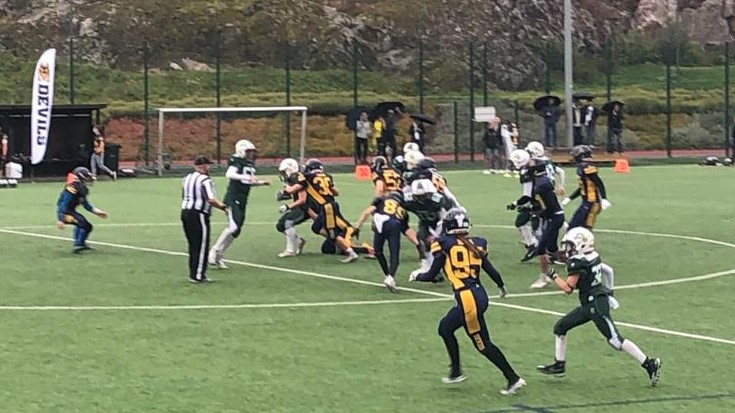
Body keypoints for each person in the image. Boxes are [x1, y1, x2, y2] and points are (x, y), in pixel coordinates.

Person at [409, 209, 526, 396]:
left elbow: (432, 274)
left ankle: (513, 378)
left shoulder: (443, 243)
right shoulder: (477, 243)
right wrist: (501, 285)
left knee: (482, 344)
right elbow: (489, 268)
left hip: (467, 299)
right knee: (445, 328)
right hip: (478, 295)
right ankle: (456, 372)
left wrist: (417, 276)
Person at [538, 227, 662, 387]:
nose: (567, 249)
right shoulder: (592, 256)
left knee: (615, 340)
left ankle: (650, 364)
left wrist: (553, 275)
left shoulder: (578, 262)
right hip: (591, 303)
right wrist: (610, 292)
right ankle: (559, 364)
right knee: (560, 327)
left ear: (581, 245)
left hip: (595, 305)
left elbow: (568, 288)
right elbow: (608, 271)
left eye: (570, 245)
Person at [209, 140, 271, 268]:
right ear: (241, 151)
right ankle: (214, 250)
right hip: (233, 198)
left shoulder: (248, 164)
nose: (251, 154)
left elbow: (247, 182)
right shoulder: (236, 160)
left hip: (242, 199)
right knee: (233, 227)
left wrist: (261, 182)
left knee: (236, 230)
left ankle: (219, 255)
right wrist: (248, 178)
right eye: (249, 152)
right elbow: (230, 174)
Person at [354, 191, 423, 292]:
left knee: (378, 251)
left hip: (380, 223)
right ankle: (390, 277)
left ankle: (388, 275)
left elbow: (367, 212)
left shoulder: (381, 200)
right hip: (394, 224)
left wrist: (357, 227)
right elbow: (407, 230)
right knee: (394, 254)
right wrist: (418, 244)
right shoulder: (402, 210)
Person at [182, 156, 227, 283]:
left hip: (185, 212)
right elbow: (210, 199)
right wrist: (224, 207)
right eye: (208, 165)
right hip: (199, 214)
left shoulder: (187, 178)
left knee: (193, 245)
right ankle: (198, 275)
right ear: (203, 166)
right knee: (201, 245)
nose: (209, 168)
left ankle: (193, 273)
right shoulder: (205, 180)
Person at [55, 166, 108, 254]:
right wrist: (60, 219)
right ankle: (79, 245)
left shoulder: (82, 189)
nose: (88, 179)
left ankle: (79, 244)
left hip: (71, 211)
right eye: (87, 177)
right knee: (84, 225)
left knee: (83, 224)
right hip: (64, 213)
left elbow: (86, 204)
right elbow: (63, 204)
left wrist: (97, 212)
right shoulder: (72, 188)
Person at [562, 145, 611, 230]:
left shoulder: (587, 167)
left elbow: (599, 183)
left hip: (592, 202)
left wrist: (604, 198)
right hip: (587, 202)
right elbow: (583, 187)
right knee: (574, 225)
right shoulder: (583, 167)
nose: (574, 157)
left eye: (575, 155)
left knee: (584, 227)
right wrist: (570, 198)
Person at [275, 158, 308, 258]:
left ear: (290, 169)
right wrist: (284, 195)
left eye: (284, 171)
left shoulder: (298, 178)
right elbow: (293, 193)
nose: (284, 174)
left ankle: (289, 250)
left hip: (304, 208)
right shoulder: (293, 178)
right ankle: (299, 241)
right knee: (280, 226)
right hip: (298, 207)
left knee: (287, 223)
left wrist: (287, 206)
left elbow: (302, 199)